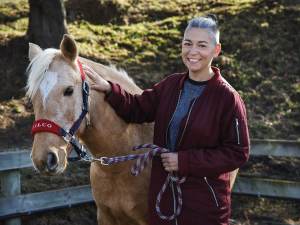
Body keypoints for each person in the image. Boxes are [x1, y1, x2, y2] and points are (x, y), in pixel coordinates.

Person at [84, 14, 250, 225]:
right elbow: (137, 109)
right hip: (164, 203)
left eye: (202, 45)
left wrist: (183, 161)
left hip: (204, 207)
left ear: (216, 50)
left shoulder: (228, 98)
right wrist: (111, 90)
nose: (193, 51)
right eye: (187, 44)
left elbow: (237, 153)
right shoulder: (171, 85)